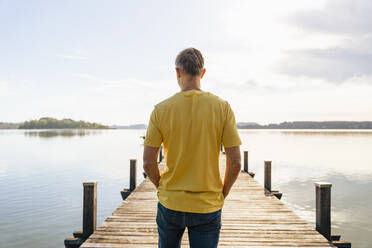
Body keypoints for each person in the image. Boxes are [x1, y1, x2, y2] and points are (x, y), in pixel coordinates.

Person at [143, 48, 242, 248]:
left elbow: (147, 162)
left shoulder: (161, 109)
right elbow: (236, 162)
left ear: (178, 72)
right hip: (207, 205)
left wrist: (162, 187)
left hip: (170, 202)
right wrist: (223, 192)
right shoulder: (222, 107)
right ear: (202, 72)